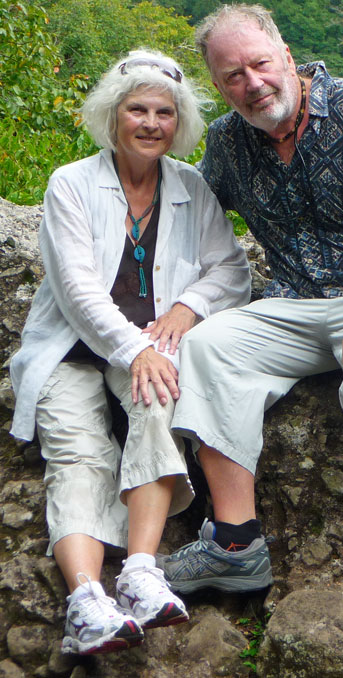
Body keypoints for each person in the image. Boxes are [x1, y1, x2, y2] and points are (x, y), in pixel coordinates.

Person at [158, 3, 343, 658]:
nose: (252, 84)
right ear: (218, 85)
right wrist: (177, 303)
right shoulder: (230, 143)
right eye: (232, 75)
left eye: (260, 65)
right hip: (298, 301)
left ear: (286, 55)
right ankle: (235, 543)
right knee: (207, 347)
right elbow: (186, 228)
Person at [9, 50, 251, 655]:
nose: (150, 122)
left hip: (152, 344)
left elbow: (230, 268)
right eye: (137, 110)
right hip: (74, 347)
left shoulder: (191, 187)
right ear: (112, 116)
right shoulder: (70, 183)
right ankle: (87, 602)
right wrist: (133, 347)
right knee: (77, 451)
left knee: (155, 408)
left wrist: (183, 310)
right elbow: (76, 288)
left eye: (164, 112)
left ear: (180, 122)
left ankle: (140, 573)